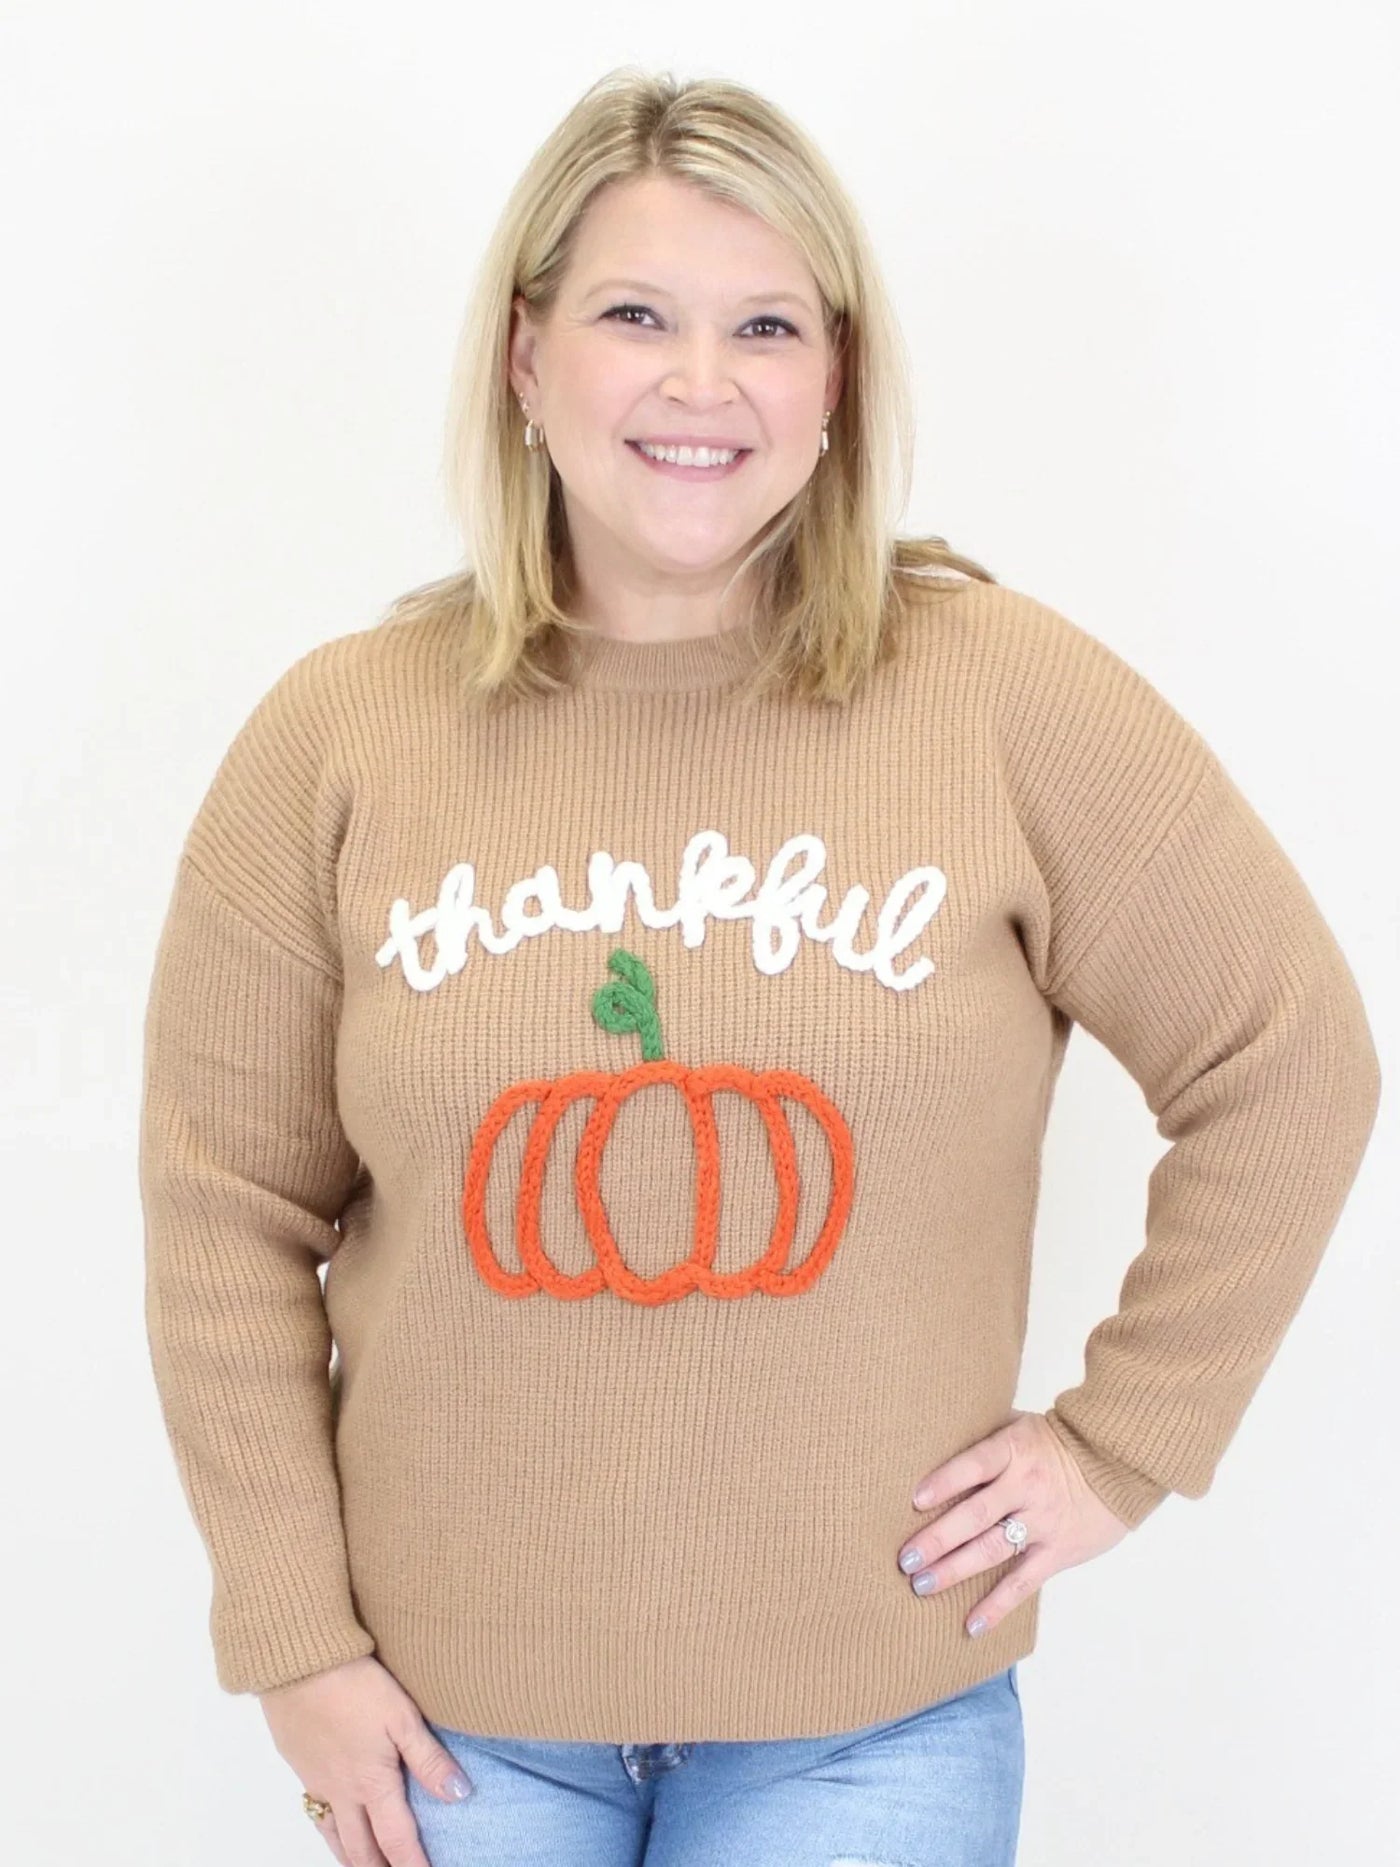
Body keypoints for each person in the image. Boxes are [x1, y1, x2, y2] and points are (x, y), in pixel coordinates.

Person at [137, 66, 1382, 1867]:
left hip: (874, 1721)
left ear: (835, 385)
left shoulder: (1004, 696)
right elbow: (223, 1211)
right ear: (524, 355)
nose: (699, 384)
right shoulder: (337, 737)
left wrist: (1125, 1441)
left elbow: (1288, 1053)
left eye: (767, 326)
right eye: (637, 315)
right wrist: (290, 1639)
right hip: (451, 1722)